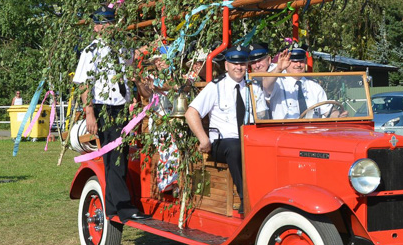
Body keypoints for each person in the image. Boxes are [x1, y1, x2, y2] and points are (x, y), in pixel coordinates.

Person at [73, 5, 148, 222]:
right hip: (104, 108)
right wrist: (89, 113)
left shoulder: (123, 48)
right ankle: (124, 207)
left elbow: (129, 74)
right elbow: (84, 84)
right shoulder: (91, 51)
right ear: (96, 27)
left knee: (119, 155)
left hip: (122, 107)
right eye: (104, 24)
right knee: (115, 157)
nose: (108, 27)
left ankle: (113, 206)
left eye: (111, 23)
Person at [185, 45, 268, 213]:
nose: (239, 67)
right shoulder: (215, 87)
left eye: (243, 63)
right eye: (234, 63)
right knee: (235, 147)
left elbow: (263, 118)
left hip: (250, 142)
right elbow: (191, 113)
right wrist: (203, 139)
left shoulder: (254, 87)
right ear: (226, 65)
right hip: (221, 144)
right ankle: (246, 199)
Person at [135, 44, 179, 193]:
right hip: (160, 121)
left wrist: (157, 86)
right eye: (156, 61)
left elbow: (175, 86)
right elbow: (146, 94)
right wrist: (138, 82)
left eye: (161, 60)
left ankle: (174, 181)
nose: (158, 63)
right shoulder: (151, 77)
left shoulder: (177, 75)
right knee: (167, 142)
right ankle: (167, 183)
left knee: (175, 140)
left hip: (177, 120)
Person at [269, 47, 344, 119]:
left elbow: (328, 111)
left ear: (305, 62)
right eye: (294, 61)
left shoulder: (314, 87)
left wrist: (339, 115)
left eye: (301, 61)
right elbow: (266, 85)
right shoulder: (278, 83)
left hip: (312, 130)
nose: (298, 65)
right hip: (285, 130)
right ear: (286, 62)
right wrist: (278, 69)